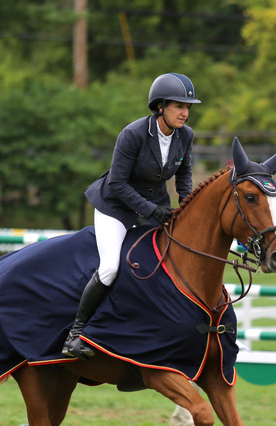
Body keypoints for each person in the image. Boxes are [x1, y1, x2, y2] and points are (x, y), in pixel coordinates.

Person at [62, 72, 201, 360]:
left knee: (163, 265)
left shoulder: (185, 136)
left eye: (188, 107)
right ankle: (75, 334)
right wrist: (152, 211)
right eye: (179, 106)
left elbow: (184, 175)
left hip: (155, 205)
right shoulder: (133, 134)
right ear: (160, 106)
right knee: (111, 267)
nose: (185, 113)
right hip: (116, 207)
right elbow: (118, 183)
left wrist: (187, 207)